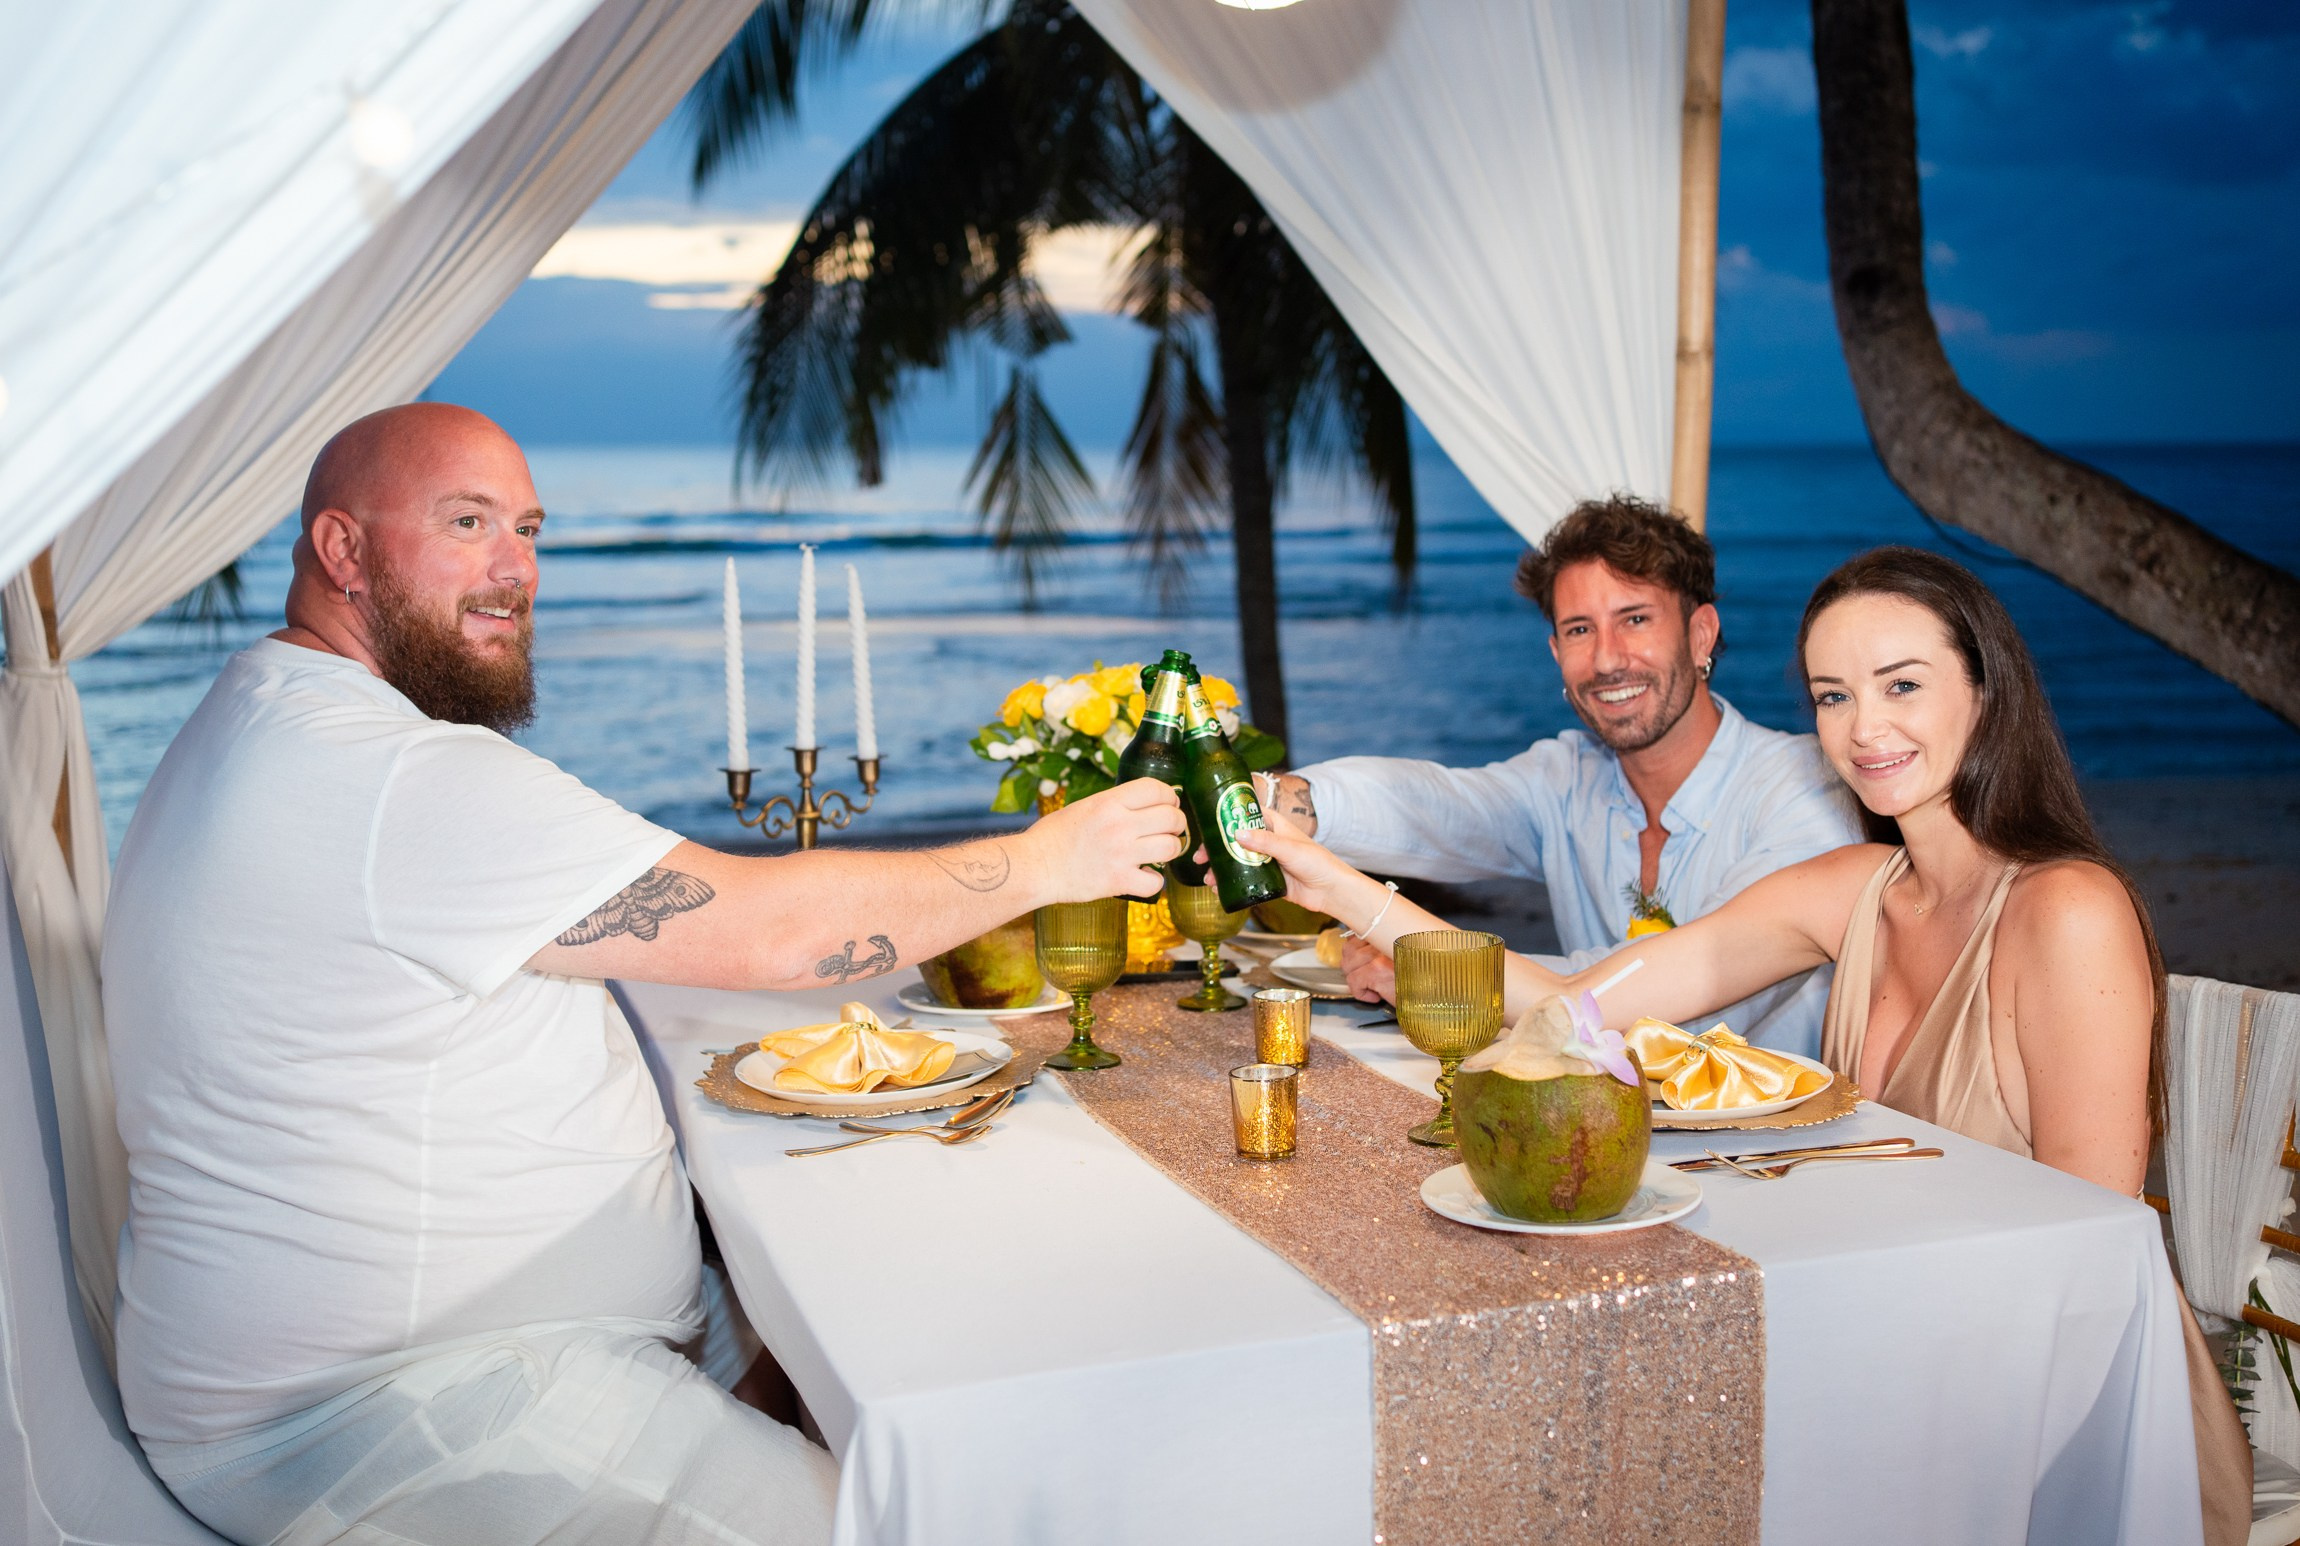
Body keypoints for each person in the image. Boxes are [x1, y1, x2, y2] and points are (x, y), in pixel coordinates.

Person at [102, 403, 1188, 1546]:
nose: (514, 569)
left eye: (527, 529)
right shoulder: (387, 775)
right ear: (343, 551)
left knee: (869, 1329)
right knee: (924, 1511)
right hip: (395, 1414)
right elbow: (778, 935)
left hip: (372, 1371)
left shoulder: (274, 712)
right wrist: (1051, 856)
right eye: (465, 523)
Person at [1244, 545, 2248, 1546]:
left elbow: (2086, 1251)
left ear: (1984, 691)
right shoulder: (1849, 886)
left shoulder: (2065, 909)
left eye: (1901, 685)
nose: (1862, 728)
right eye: (1830, 695)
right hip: (1909, 1326)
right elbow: (1574, 1006)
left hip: (2064, 1403)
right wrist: (1344, 892)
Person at [1269, 494, 1858, 1056]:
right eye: (1580, 629)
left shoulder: (1805, 788)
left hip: (1779, 1152)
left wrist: (1438, 969)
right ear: (1556, 652)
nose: (1606, 659)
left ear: (1700, 633)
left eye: (1634, 619)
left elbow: (1679, 1012)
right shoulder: (1569, 777)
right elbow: (1433, 807)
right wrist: (1265, 799)